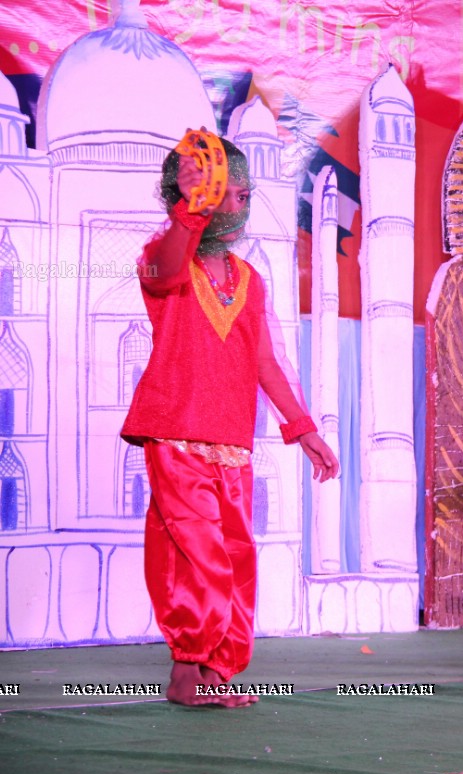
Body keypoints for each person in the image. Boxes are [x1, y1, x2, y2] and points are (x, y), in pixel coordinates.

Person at [121, 135, 339, 707]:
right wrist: (187, 210)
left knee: (237, 556)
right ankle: (186, 669)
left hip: (232, 441)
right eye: (229, 193)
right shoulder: (159, 254)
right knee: (200, 555)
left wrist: (303, 428)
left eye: (244, 194)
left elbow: (264, 360)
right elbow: (164, 272)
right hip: (175, 432)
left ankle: (216, 673)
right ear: (197, 195)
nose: (240, 205)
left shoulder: (249, 278)